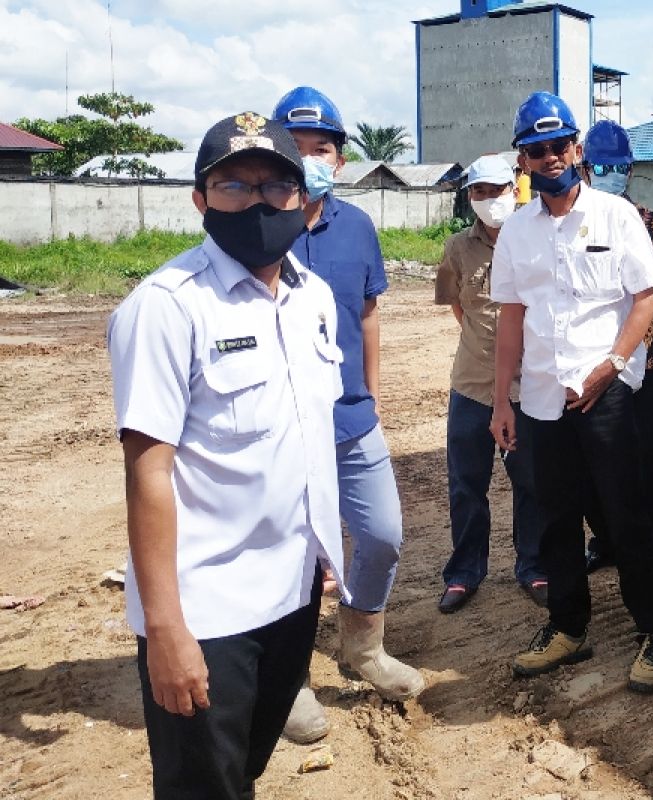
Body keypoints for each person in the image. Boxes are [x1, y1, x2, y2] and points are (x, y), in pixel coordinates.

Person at [107, 112, 345, 798]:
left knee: (243, 769)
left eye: (277, 186)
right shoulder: (165, 307)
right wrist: (165, 629)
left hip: (293, 595)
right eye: (236, 185)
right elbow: (147, 469)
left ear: (302, 198)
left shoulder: (315, 299)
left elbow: (305, 437)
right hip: (206, 610)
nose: (259, 201)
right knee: (201, 787)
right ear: (201, 199)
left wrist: (324, 545)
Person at [489, 91, 653, 693]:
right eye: (535, 150)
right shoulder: (516, 232)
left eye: (557, 146)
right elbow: (512, 319)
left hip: (607, 394)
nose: (549, 158)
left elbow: (647, 296)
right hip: (542, 398)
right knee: (555, 518)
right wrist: (501, 401)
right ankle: (568, 627)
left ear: (576, 148)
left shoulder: (616, 216)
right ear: (523, 160)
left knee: (626, 516)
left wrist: (615, 364)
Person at [272, 86, 424, 745]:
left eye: (322, 149)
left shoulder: (358, 227)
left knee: (383, 534)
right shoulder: (257, 225)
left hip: (352, 417)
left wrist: (373, 390)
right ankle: (286, 683)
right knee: (294, 557)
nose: (310, 160)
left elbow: (367, 312)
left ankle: (362, 646)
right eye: (297, 149)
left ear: (340, 160)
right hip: (280, 429)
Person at [434, 153, 547, 613]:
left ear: (514, 188)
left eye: (496, 191)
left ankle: (535, 567)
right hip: (471, 386)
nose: (487, 200)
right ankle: (464, 573)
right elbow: (459, 309)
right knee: (466, 483)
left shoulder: (537, 239)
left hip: (528, 387)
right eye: (478, 192)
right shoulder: (457, 248)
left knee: (532, 481)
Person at [580, 119, 653, 580]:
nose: (610, 173)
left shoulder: (648, 223)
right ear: (584, 168)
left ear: (631, 170)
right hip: (587, 363)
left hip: (641, 362)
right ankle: (605, 540)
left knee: (648, 457)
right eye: (601, 166)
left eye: (618, 166)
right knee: (591, 460)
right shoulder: (571, 223)